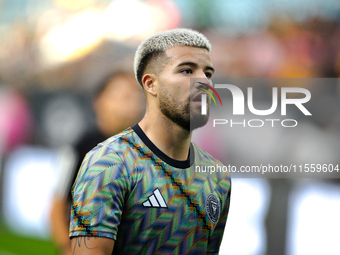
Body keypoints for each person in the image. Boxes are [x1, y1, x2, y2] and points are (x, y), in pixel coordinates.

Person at [69, 28, 231, 255]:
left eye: (208, 73)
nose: (203, 82)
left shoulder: (217, 176)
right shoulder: (109, 162)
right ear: (150, 84)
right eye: (186, 70)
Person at [50, 71, 145, 255]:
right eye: (122, 97)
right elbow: (57, 206)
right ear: (99, 101)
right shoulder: (79, 149)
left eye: (135, 97)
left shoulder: (145, 150)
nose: (130, 104)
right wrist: (67, 249)